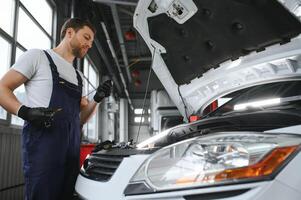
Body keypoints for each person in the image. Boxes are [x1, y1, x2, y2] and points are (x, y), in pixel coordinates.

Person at [0, 18, 112, 200]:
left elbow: (80, 119)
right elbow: (2, 88)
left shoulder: (79, 76)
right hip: (43, 150)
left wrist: (97, 99)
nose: (89, 44)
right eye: (86, 37)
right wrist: (25, 112)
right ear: (69, 33)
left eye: (91, 42)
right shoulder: (38, 57)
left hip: (71, 153)